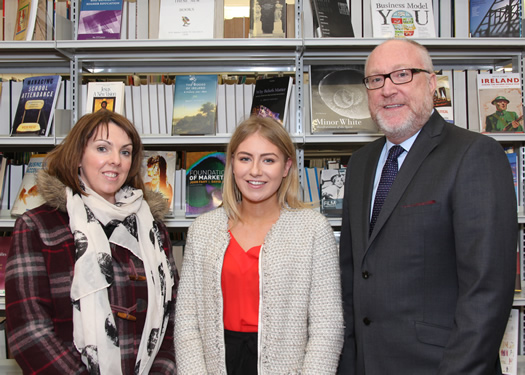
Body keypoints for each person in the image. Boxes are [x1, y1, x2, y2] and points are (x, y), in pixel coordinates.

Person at [338, 39, 517, 375]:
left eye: (402, 75)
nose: (387, 89)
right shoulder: (360, 164)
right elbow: (352, 277)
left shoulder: (474, 155)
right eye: (376, 80)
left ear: (432, 83)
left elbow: (487, 291)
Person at [6, 110, 177, 374]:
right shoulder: (38, 227)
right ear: (77, 158)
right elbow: (29, 333)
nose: (115, 161)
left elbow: (173, 321)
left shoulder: (154, 229)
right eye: (102, 148)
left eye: (125, 152)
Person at [174, 116, 343, 374]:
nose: (255, 171)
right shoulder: (203, 230)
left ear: (286, 166)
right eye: (245, 158)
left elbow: (327, 328)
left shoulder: (313, 230)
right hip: (216, 364)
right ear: (231, 163)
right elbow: (187, 323)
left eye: (268, 160)